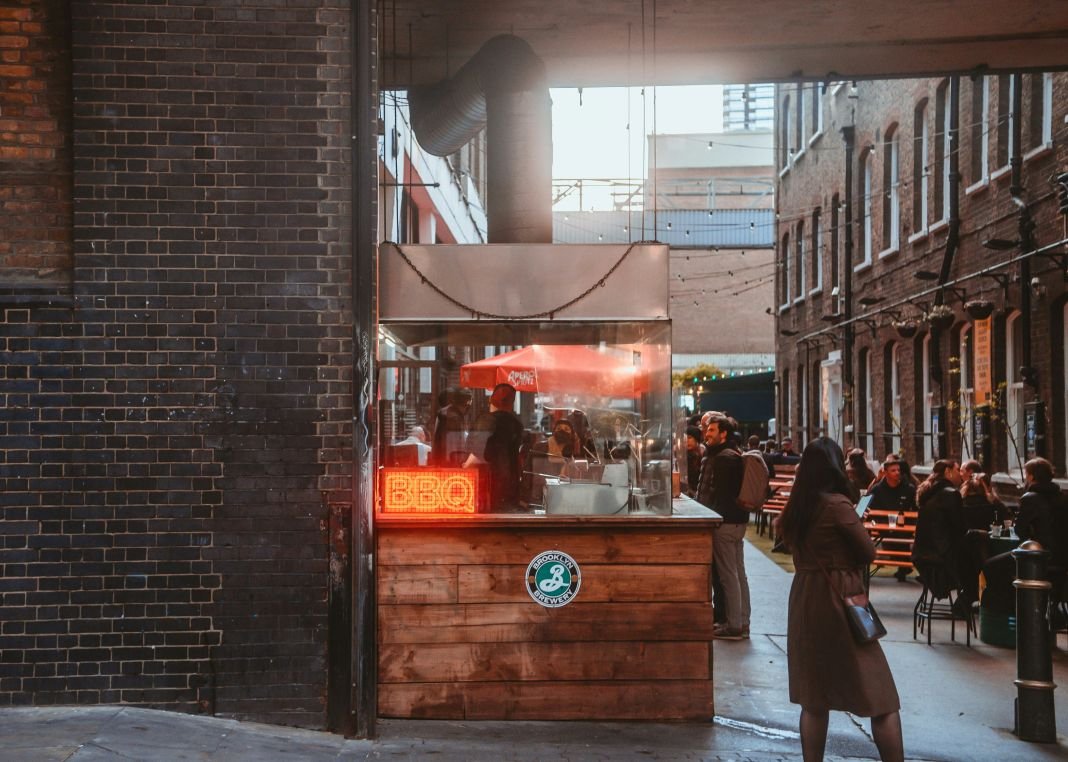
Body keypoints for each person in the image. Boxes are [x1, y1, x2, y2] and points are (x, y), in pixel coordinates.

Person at [778, 437, 904, 762]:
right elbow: (868, 551)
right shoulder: (837, 504)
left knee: (814, 696)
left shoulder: (797, 506)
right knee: (882, 696)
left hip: (805, 598)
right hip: (841, 597)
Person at [696, 413, 749, 640]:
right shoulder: (733, 454)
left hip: (725, 523)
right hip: (738, 522)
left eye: (711, 431)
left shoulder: (724, 459)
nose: (707, 434)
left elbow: (720, 494)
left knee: (728, 576)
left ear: (723, 433)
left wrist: (710, 517)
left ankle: (734, 625)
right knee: (739, 573)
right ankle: (742, 621)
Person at [911, 460, 968, 604]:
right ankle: (968, 600)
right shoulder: (951, 494)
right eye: (957, 470)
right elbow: (960, 527)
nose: (960, 474)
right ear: (947, 472)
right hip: (941, 556)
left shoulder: (930, 492)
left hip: (922, 554)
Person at [465, 383, 523, 511]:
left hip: (487, 481)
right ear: (511, 403)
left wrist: (464, 468)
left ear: (491, 400)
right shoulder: (516, 424)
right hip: (510, 481)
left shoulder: (486, 420)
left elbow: (477, 453)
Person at [866, 457, 917, 581]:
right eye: (893, 470)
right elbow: (868, 507)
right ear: (885, 472)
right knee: (891, 539)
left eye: (898, 470)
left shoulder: (908, 488)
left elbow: (915, 508)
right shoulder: (877, 489)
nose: (897, 473)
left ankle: (903, 566)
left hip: (903, 526)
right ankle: (903, 566)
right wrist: (875, 521)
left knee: (901, 536)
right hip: (882, 525)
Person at [432, 387, 472, 466]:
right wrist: (456, 463)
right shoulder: (453, 417)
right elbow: (452, 444)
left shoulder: (447, 413)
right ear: (467, 402)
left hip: (442, 462)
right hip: (449, 464)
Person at [684, 425, 704, 496]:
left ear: (696, 439)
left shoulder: (703, 454)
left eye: (689, 438)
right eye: (685, 438)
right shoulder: (683, 455)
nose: (686, 440)